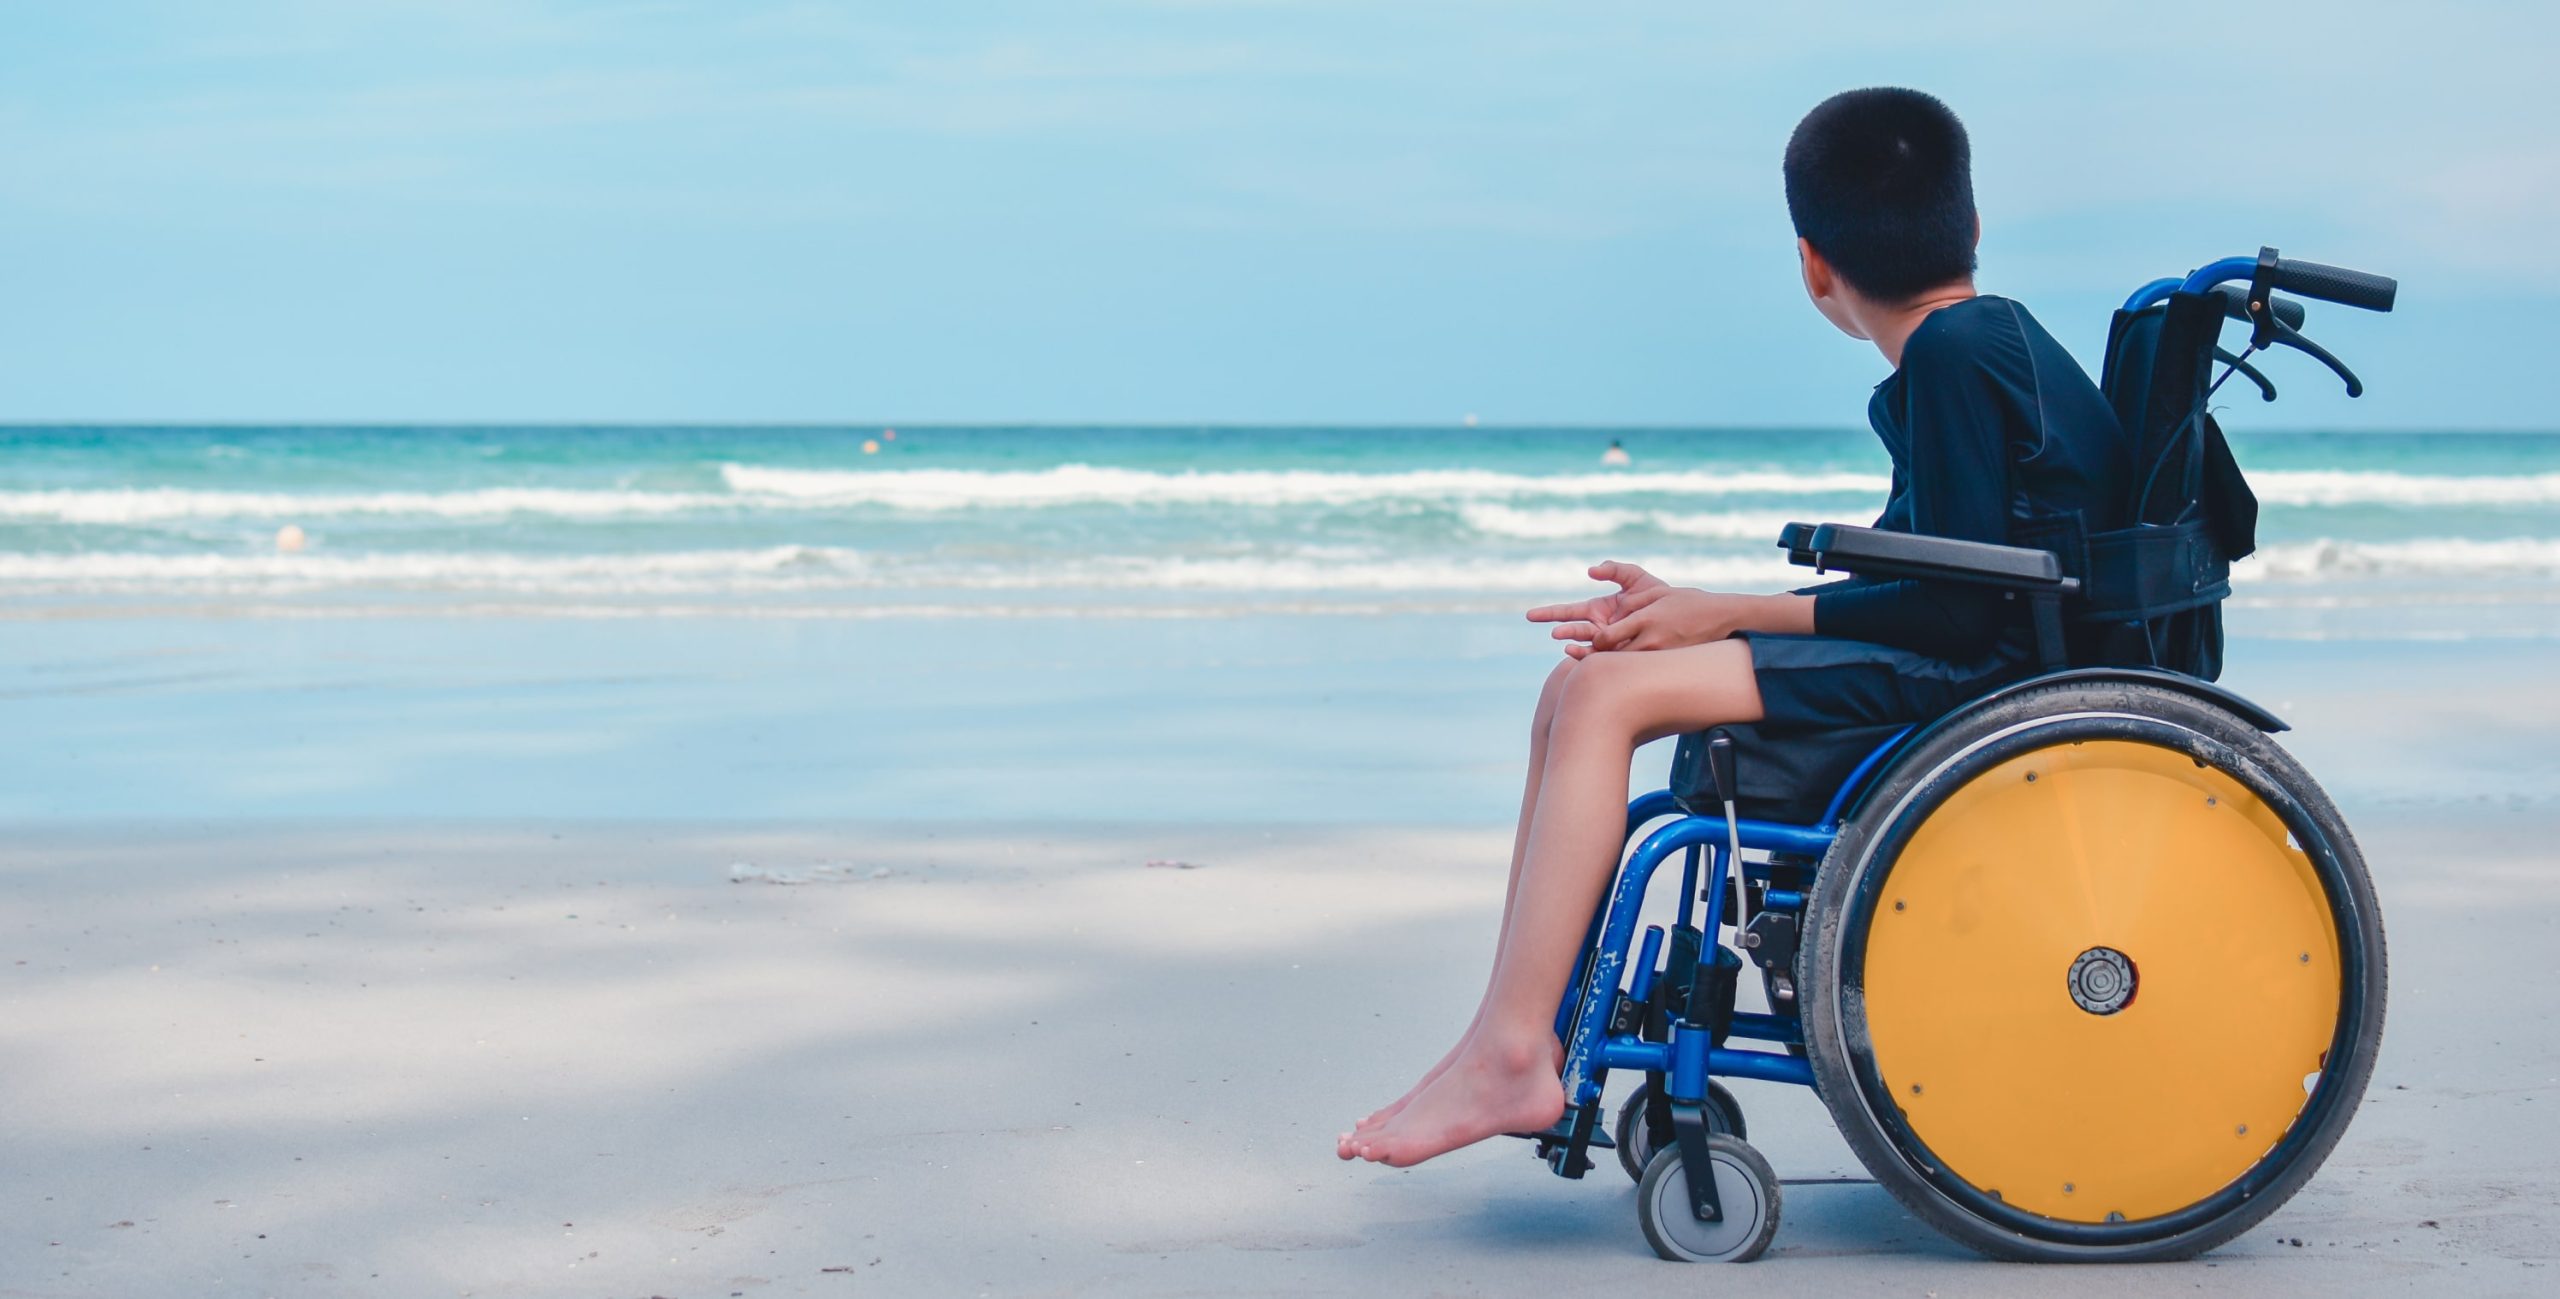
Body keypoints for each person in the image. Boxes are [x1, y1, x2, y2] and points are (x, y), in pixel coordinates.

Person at [1337, 87, 2133, 1167]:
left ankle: (1514, 1050)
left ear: (1813, 264)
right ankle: (1507, 1030)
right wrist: (1698, 612)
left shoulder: (1951, 356)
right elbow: (1950, 573)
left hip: (1980, 682)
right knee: (1578, 686)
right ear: (1974, 228)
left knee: (1604, 692)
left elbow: (1950, 604)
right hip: (1987, 652)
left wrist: (1724, 611)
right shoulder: (1989, 340)